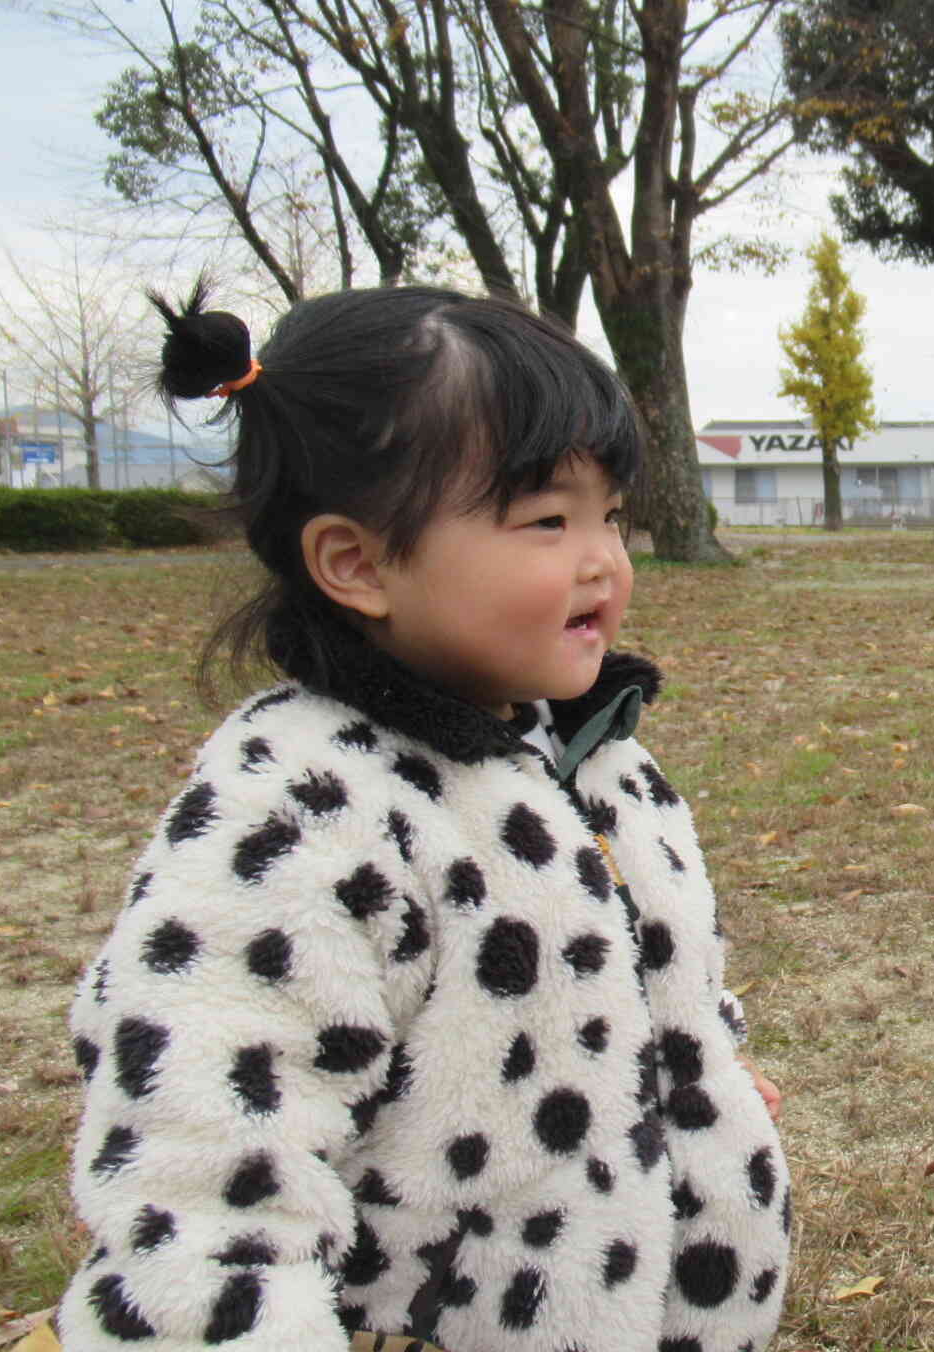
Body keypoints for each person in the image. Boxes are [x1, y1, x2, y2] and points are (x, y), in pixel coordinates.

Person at [57, 283, 790, 1352]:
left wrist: (704, 1064)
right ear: (356, 565)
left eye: (611, 518)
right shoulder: (302, 813)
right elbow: (205, 1189)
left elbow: (657, 957)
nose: (605, 562)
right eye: (547, 520)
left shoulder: (588, 751)